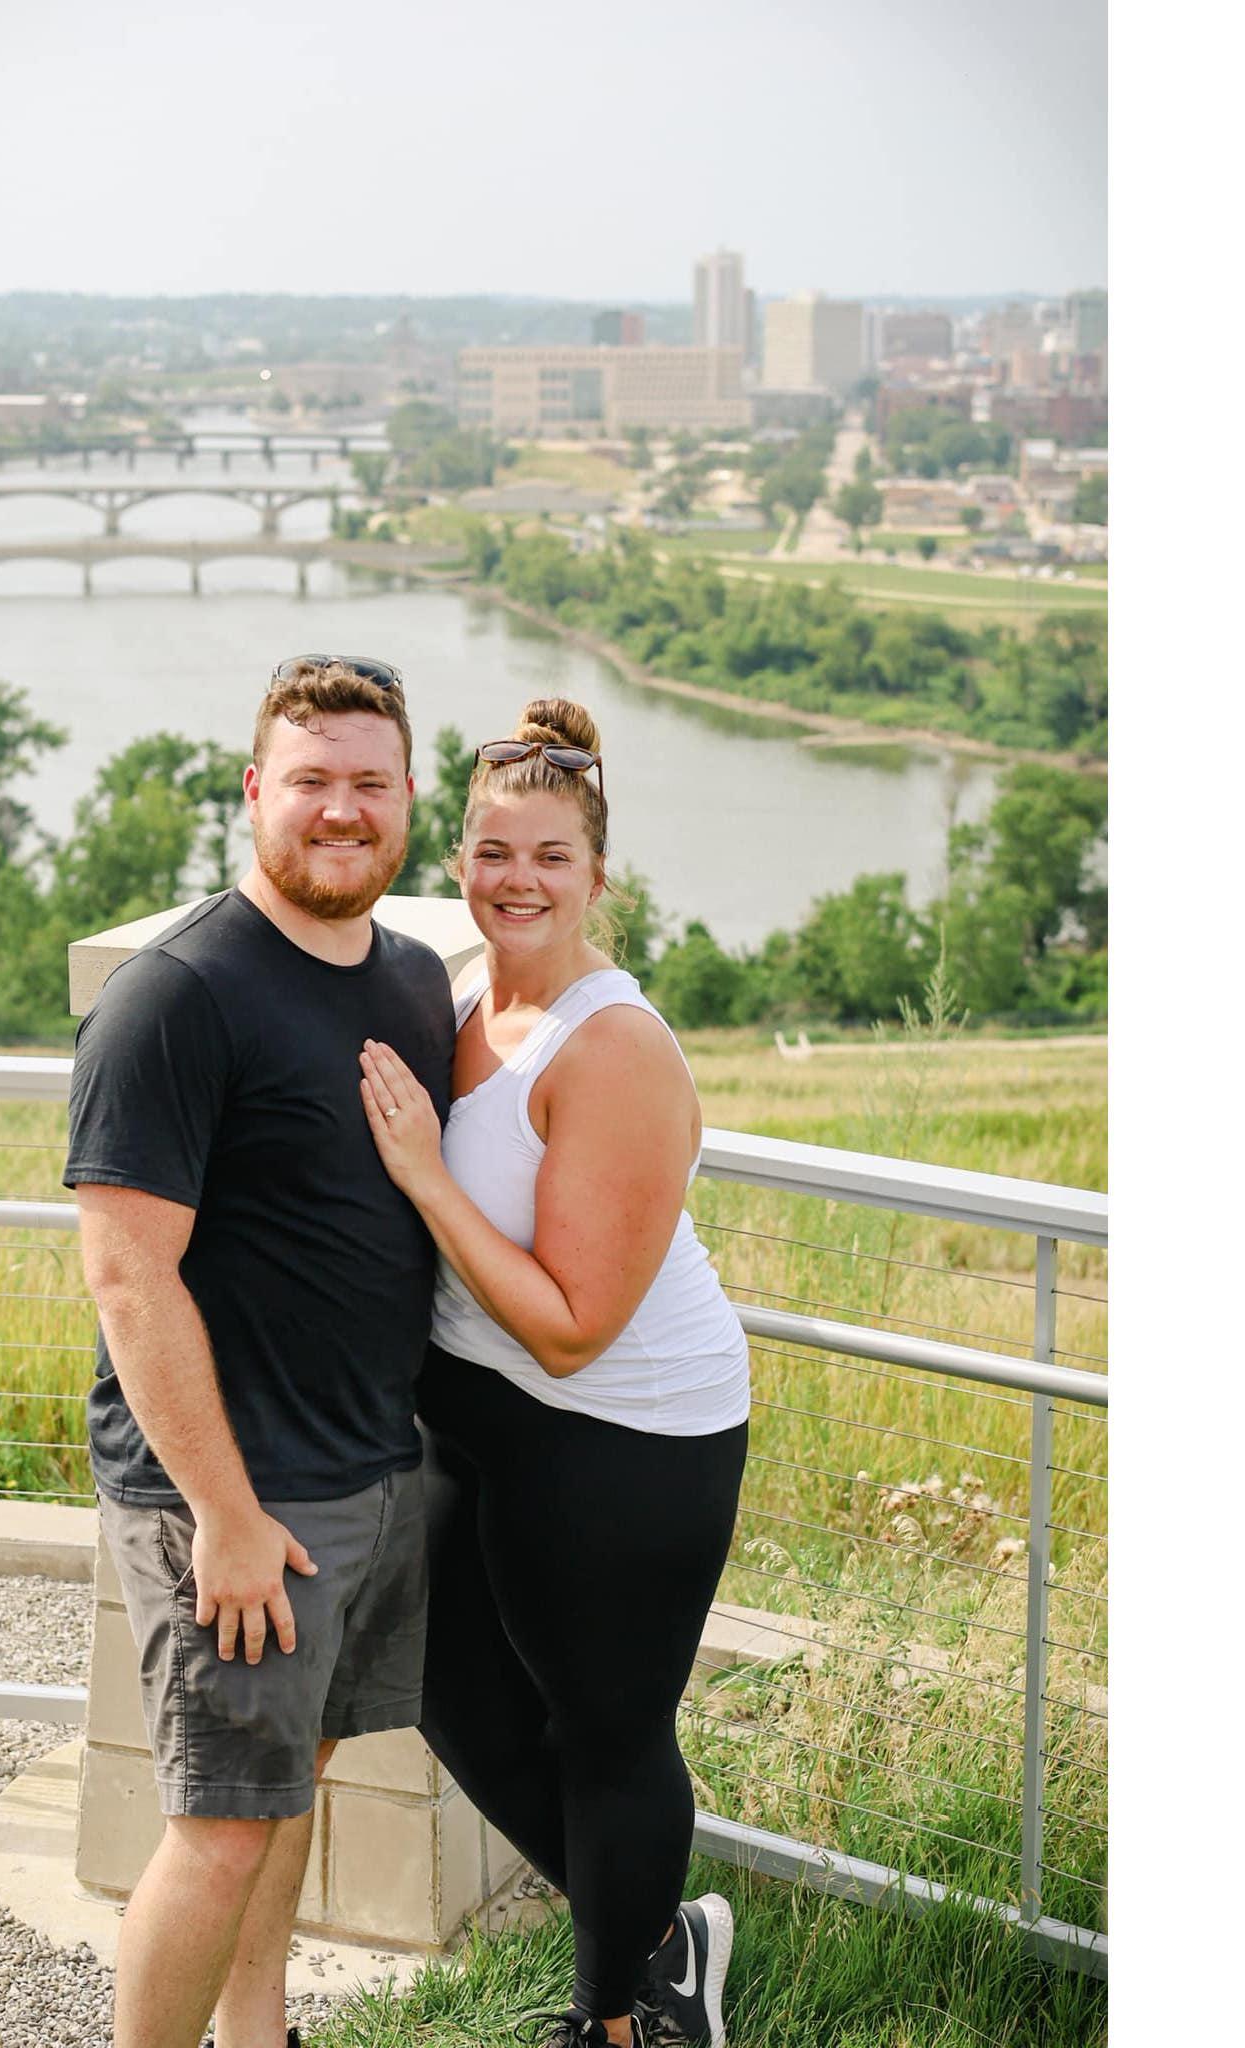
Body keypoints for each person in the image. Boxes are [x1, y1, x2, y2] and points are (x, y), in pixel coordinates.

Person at [64, 656, 455, 2048]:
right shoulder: (178, 997)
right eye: (311, 781)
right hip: (234, 1497)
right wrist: (224, 1514)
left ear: (410, 794)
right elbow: (126, 1272)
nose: (340, 810)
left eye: (368, 781)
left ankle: (258, 2037)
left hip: (365, 1470)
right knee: (221, 1827)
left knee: (289, 1791)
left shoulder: (412, 978)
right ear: (253, 794)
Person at [355, 696, 752, 2048]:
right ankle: (657, 1939)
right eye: (490, 853)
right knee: (452, 1694)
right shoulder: (464, 990)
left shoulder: (617, 1047)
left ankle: (617, 2022)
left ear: (598, 874)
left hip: (626, 1434)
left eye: (549, 858)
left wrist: (419, 1174)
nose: (515, 881)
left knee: (604, 1730)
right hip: (482, 1419)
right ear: (455, 858)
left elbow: (574, 1323)